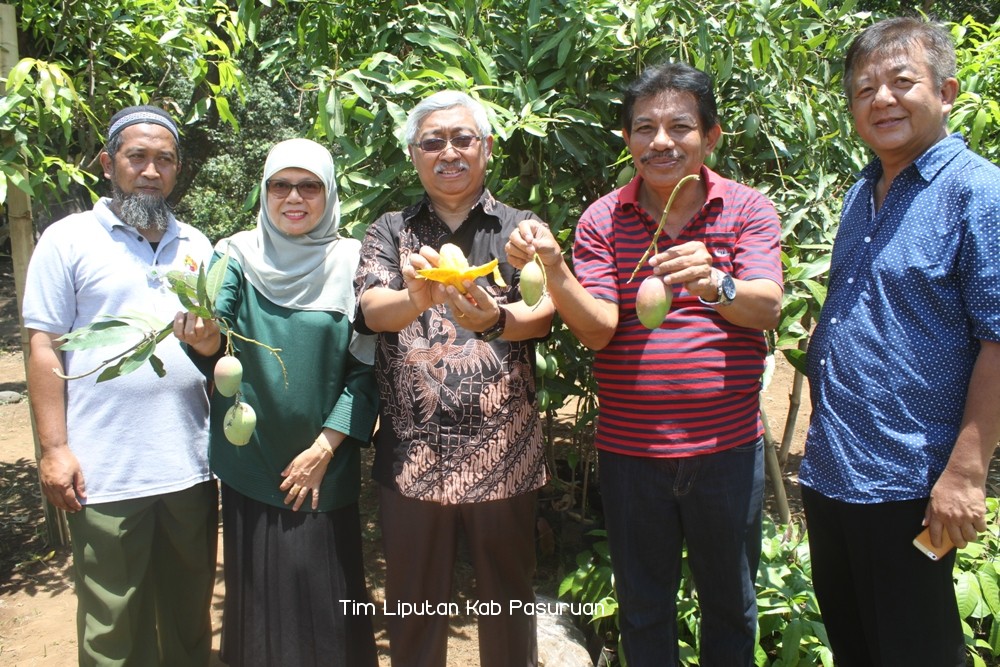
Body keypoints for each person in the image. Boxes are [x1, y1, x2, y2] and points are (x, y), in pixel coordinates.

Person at [507, 62, 783, 666]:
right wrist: (555, 270)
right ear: (628, 140)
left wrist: (717, 284)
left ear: (710, 137)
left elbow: (767, 307)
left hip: (728, 451)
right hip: (633, 454)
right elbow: (600, 330)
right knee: (643, 608)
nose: (661, 140)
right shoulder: (603, 219)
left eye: (679, 126)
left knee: (731, 607)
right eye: (644, 127)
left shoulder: (747, 210)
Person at [799, 17, 1000, 666]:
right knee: (856, 647)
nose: (881, 99)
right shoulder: (863, 193)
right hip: (831, 476)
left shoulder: (979, 192)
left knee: (918, 653)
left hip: (912, 486)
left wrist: (966, 473)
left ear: (946, 91)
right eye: (864, 89)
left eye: (901, 81)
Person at [354, 90, 554, 667]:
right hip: (414, 456)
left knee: (507, 611)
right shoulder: (390, 231)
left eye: (462, 139)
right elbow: (372, 310)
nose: (448, 152)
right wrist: (414, 298)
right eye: (432, 142)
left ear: (487, 149)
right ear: (414, 155)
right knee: (414, 611)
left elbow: (541, 315)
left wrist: (497, 319)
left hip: (504, 453)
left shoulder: (520, 230)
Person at [22, 105, 218, 666]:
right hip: (105, 469)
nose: (151, 170)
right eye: (137, 157)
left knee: (187, 613)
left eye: (164, 159)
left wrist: (208, 343)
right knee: (112, 621)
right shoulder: (68, 240)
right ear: (109, 164)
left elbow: (213, 349)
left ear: (178, 170)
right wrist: (55, 449)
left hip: (189, 465)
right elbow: (44, 346)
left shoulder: (198, 247)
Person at [173, 138, 379, 666]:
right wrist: (200, 334)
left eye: (309, 185)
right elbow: (217, 332)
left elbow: (368, 372)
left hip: (322, 464)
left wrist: (324, 448)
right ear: (263, 193)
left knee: (328, 604)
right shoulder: (236, 254)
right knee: (260, 599)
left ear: (329, 193)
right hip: (254, 460)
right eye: (280, 185)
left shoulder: (354, 262)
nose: (294, 197)